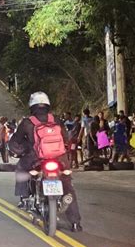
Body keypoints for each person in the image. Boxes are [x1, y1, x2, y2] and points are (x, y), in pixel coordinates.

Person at [8, 91, 82, 232]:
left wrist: (20, 151)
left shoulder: (27, 122)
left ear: (32, 106)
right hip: (59, 158)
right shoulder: (56, 120)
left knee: (21, 169)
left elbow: (15, 143)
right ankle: (75, 223)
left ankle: (24, 199)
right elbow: (65, 139)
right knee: (67, 186)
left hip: (35, 158)